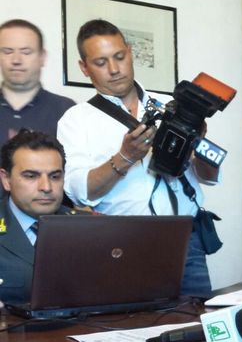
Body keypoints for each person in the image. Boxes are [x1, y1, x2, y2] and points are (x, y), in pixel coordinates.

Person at [57, 19, 220, 297]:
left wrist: (198, 141)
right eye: (101, 62)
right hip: (123, 244)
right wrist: (125, 157)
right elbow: (81, 192)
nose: (114, 69)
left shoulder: (173, 105)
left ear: (131, 52)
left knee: (198, 321)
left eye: (120, 57)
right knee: (134, 323)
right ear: (84, 68)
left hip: (186, 241)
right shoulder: (75, 120)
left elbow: (209, 177)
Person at [0, 129, 76, 304]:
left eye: (55, 176)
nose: (46, 187)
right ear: (6, 180)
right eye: (31, 176)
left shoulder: (89, 229)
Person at [0, 19, 75, 142]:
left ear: (42, 57)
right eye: (8, 52)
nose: (16, 60)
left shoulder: (65, 110)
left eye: (26, 52)